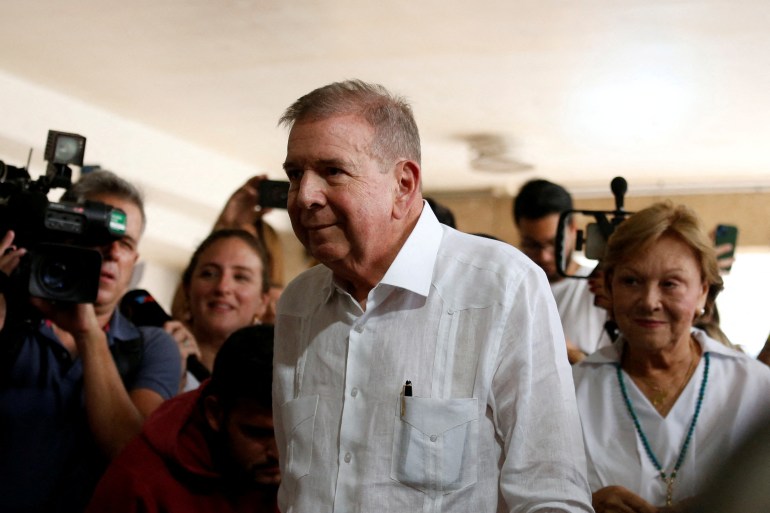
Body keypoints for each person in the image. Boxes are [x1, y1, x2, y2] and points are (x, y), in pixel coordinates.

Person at [273, 80, 592, 512]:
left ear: (403, 184)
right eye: (295, 175)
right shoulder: (298, 303)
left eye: (332, 171)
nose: (305, 196)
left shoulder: (503, 287)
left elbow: (550, 495)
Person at [0, 170, 181, 512]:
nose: (112, 251)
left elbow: (130, 453)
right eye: (99, 234)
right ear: (62, 234)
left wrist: (87, 332)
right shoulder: (11, 312)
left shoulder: (153, 346)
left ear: (133, 261)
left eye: (125, 243)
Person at [572, 202, 770, 511]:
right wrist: (584, 505)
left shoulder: (754, 388)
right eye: (631, 281)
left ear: (703, 291)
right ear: (609, 286)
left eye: (670, 284)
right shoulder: (572, 390)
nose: (650, 301)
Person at [87, 324, 280, 513]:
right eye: (259, 433)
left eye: (293, 433)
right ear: (215, 414)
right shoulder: (139, 483)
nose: (278, 453)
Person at [513, 179, 612, 363]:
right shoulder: (515, 291)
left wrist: (566, 352)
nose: (544, 256)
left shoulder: (598, 287)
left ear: (573, 229)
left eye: (553, 243)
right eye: (532, 245)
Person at [176, 229, 271, 390]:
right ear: (187, 289)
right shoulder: (151, 355)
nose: (222, 287)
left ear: (262, 302)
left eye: (240, 277)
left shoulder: (277, 380)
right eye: (209, 274)